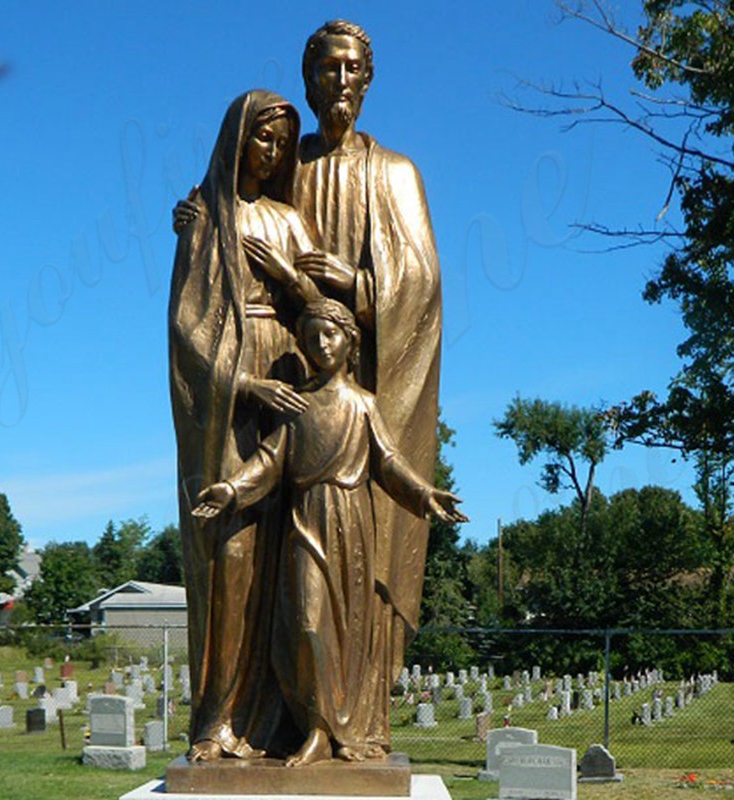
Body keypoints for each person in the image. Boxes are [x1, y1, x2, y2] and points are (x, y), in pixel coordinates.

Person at [193, 298, 466, 767]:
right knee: (306, 623)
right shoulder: (296, 408)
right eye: (312, 336)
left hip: (352, 526)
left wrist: (424, 495)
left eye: (331, 334)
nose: (321, 344)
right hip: (305, 522)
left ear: (349, 340)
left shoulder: (362, 405)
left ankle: (329, 731)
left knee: (343, 632)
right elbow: (268, 463)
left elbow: (389, 462)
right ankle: (316, 725)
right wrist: (230, 490)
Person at [292, 20, 443, 752]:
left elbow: (424, 283)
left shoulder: (397, 174)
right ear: (309, 78)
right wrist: (196, 220)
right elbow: (236, 213)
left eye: (353, 69)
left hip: (364, 407)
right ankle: (288, 721)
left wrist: (357, 287)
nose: (342, 82)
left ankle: (356, 724)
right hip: (285, 400)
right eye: (329, 69)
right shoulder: (284, 166)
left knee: (358, 573)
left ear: (369, 78)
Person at [169, 90, 324, 762]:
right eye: (263, 136)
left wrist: (290, 278)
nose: (274, 151)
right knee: (230, 555)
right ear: (237, 137)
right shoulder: (206, 216)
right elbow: (185, 325)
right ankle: (215, 720)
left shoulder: (291, 222)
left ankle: (277, 720)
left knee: (279, 558)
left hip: (289, 377)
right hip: (233, 388)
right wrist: (243, 384)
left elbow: (327, 310)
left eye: (283, 141)